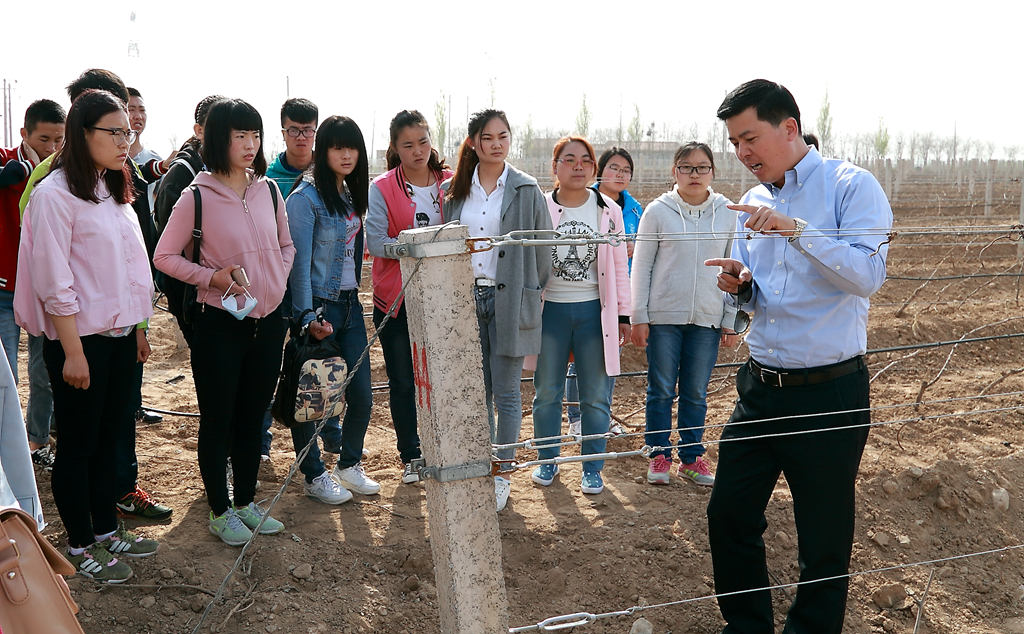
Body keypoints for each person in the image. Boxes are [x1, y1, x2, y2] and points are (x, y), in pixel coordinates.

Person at [704, 79, 892, 633]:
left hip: (830, 393)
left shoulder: (850, 187)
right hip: (760, 388)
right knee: (729, 516)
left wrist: (797, 230)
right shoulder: (752, 202)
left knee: (824, 538)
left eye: (750, 138)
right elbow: (761, 299)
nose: (742, 154)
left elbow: (866, 275)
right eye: (735, 143)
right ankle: (747, 628)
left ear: (789, 128)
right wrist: (742, 289)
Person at [14, 89, 160, 581]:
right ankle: (78, 542)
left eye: (128, 132)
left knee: (109, 437)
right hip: (80, 342)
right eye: (114, 132)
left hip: (119, 338)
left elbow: (129, 268)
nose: (126, 141)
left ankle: (104, 528)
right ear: (83, 133)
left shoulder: (111, 188)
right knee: (77, 444)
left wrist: (137, 326)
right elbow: (56, 282)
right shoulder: (54, 195)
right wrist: (73, 351)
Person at [154, 98, 295, 547]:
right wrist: (211, 278)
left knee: (254, 416)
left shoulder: (268, 190)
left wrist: (275, 279)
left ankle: (247, 502)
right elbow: (164, 257)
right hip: (220, 323)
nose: (250, 144)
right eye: (239, 136)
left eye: (255, 135)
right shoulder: (195, 196)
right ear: (218, 139)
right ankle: (219, 509)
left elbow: (287, 245)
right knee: (219, 418)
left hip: (268, 322)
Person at [442, 109, 552, 512]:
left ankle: (502, 472)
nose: (497, 144)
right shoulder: (455, 191)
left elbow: (543, 252)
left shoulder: (526, 189)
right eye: (488, 137)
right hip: (467, 299)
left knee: (506, 392)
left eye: (503, 136)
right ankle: (481, 465)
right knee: (477, 391)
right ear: (474, 142)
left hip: (509, 301)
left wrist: (527, 290)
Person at [630, 142, 739, 488]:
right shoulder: (658, 211)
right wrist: (639, 315)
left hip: (707, 316)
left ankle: (691, 458)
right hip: (663, 317)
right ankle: (659, 454)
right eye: (687, 167)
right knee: (660, 388)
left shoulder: (726, 212)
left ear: (712, 172)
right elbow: (642, 265)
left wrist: (730, 318)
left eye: (702, 167)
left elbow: (735, 266)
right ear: (674, 171)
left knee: (695, 390)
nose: (695, 174)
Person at [285, 115, 379, 503]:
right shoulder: (303, 200)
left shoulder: (351, 195)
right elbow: (299, 266)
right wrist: (307, 317)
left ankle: (348, 464)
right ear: (322, 151)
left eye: (352, 147)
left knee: (362, 393)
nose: (346, 155)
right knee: (312, 397)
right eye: (337, 147)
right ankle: (313, 474)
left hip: (351, 304)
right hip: (318, 308)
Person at [529, 136, 630, 496]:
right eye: (568, 160)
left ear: (593, 169)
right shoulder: (540, 206)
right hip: (550, 312)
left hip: (593, 312)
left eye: (585, 161)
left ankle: (592, 468)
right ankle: (547, 459)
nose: (577, 167)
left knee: (595, 393)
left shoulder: (607, 209)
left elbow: (619, 265)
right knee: (547, 391)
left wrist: (622, 314)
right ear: (554, 166)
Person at [366, 109, 450, 484]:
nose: (418, 151)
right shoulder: (382, 187)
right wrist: (414, 248)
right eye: (408, 145)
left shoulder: (452, 182)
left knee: (444, 376)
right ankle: (411, 454)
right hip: (396, 299)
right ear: (395, 148)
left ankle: (445, 447)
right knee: (403, 380)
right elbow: (375, 242)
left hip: (447, 298)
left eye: (424, 141)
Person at [0, 99, 65, 471]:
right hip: (5, 288)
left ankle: (37, 440)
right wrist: (10, 173)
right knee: (6, 371)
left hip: (43, 287)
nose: (52, 148)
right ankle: (8, 452)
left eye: (59, 139)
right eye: (44, 139)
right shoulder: (7, 160)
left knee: (43, 371)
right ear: (24, 134)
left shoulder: (62, 172)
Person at [565, 147, 643, 439]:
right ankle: (576, 418)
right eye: (614, 168)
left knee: (611, 356)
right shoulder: (581, 201)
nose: (620, 174)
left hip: (619, 293)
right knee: (577, 358)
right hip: (585, 290)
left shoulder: (636, 210)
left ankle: (602, 417)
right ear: (600, 170)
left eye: (626, 170)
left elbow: (641, 249)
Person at [267, 98, 318, 198]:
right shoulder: (270, 179)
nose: (301, 137)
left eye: (307, 130)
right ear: (283, 134)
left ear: (315, 133)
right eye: (294, 130)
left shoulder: (328, 172)